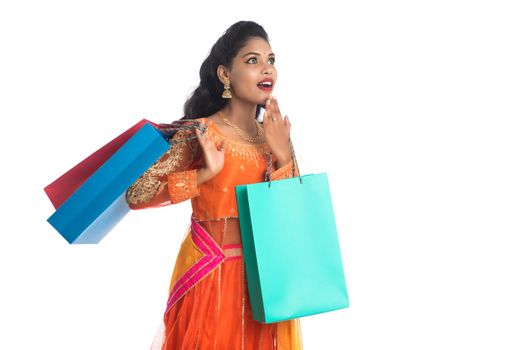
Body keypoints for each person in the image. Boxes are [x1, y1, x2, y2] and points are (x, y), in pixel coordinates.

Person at [125, 21, 303, 349]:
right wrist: (204, 174)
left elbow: (292, 216)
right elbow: (136, 194)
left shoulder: (275, 135)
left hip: (264, 282)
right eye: (252, 60)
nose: (267, 69)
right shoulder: (201, 132)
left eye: (271, 60)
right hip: (210, 277)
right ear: (224, 74)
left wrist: (282, 157)